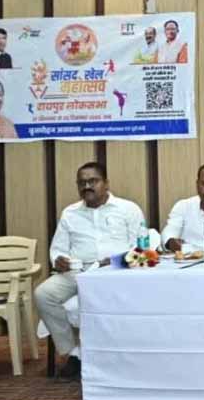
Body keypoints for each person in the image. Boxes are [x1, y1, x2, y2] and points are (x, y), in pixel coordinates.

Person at [35, 162, 145, 379]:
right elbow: (57, 249)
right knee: (43, 294)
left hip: (115, 270)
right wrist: (59, 260)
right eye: (82, 183)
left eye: (93, 181)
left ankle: (122, 356)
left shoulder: (128, 209)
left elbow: (141, 249)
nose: (87, 186)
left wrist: (117, 261)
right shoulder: (70, 213)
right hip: (78, 271)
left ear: (106, 183)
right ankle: (73, 353)